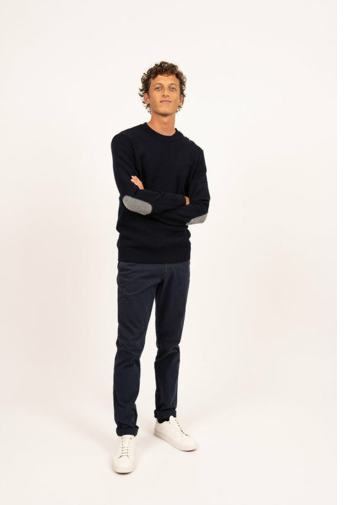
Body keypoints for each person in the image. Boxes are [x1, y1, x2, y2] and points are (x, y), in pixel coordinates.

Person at [111, 61, 211, 473]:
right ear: (146, 96)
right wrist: (179, 202)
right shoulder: (126, 142)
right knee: (130, 347)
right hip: (137, 260)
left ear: (181, 99)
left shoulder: (192, 153)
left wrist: (155, 199)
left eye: (172, 87)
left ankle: (165, 417)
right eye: (158, 87)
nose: (165, 92)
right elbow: (131, 201)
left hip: (177, 261)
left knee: (170, 345)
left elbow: (201, 210)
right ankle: (125, 433)